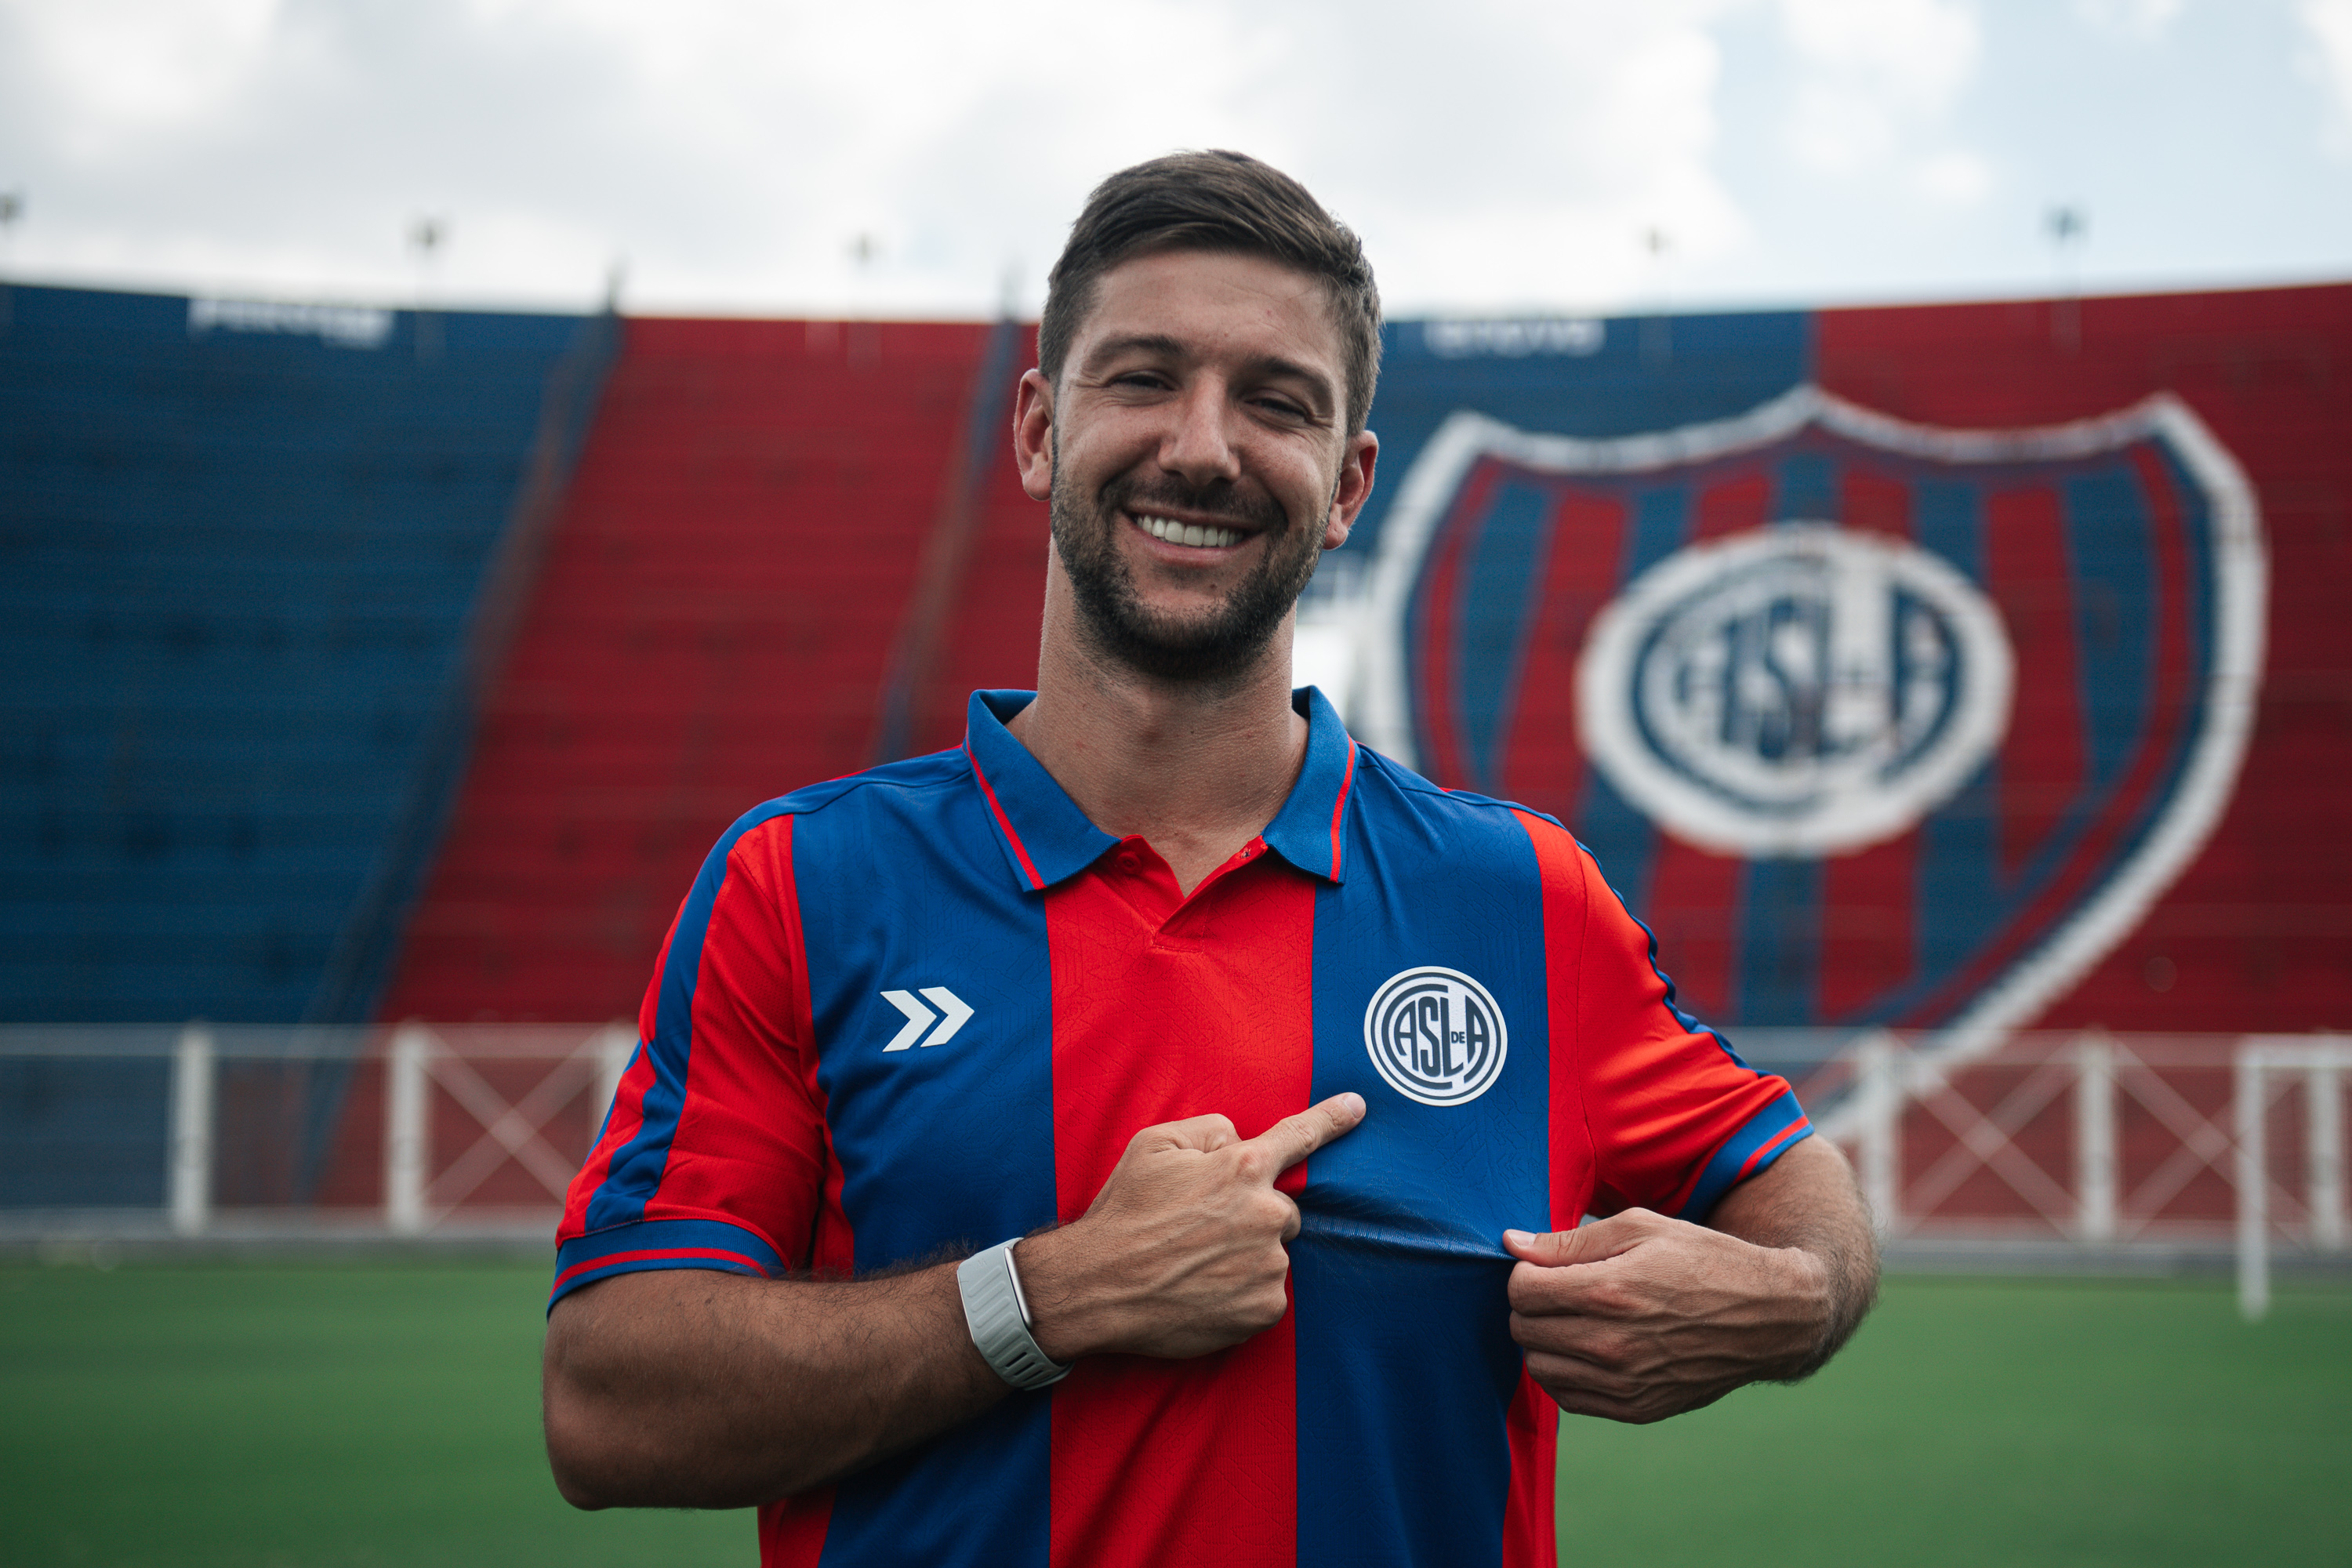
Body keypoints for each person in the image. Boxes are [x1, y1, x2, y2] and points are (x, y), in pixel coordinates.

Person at [543, 150, 1877, 1568]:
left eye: (1276, 402)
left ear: (1348, 485)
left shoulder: (1519, 897)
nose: (1202, 446)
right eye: (1144, 378)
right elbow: (609, 1403)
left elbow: (1798, 1188)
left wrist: (1792, 1300)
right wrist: (1050, 1296)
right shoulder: (806, 886)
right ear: (1039, 429)